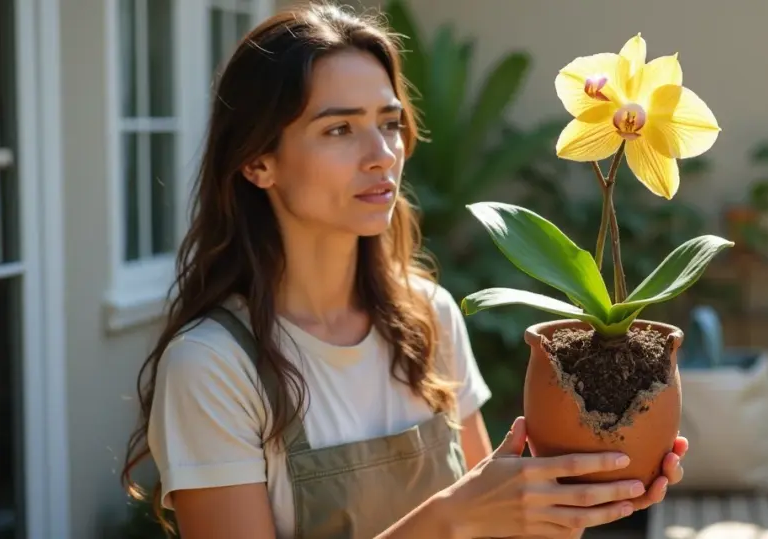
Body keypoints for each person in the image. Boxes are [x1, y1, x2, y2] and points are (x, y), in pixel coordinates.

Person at [119, 3, 689, 538]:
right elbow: (461, 518)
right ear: (258, 162)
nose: (383, 153)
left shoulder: (429, 317)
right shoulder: (212, 368)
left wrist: (574, 492)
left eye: (389, 123)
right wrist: (449, 518)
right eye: (339, 129)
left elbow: (489, 525)